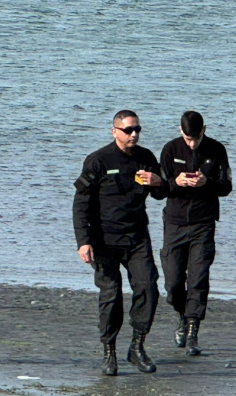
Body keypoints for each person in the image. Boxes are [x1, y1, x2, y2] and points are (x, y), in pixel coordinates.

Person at [72, 110, 167, 376]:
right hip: (104, 240)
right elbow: (80, 203)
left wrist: (160, 182)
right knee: (111, 296)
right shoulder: (98, 160)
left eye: (137, 129)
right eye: (128, 130)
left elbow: (161, 193)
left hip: (137, 237)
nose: (134, 134)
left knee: (148, 286)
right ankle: (109, 351)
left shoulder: (146, 158)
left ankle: (137, 347)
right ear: (115, 131)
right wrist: (84, 241)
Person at [159, 111, 233, 356]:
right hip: (175, 222)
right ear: (181, 132)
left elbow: (226, 187)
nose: (191, 143)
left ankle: (192, 329)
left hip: (203, 222)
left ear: (204, 130)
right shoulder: (170, 150)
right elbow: (159, 189)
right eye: (188, 139)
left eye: (196, 138)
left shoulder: (216, 150)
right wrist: (175, 182)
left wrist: (206, 183)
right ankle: (181, 315)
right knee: (173, 282)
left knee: (199, 278)